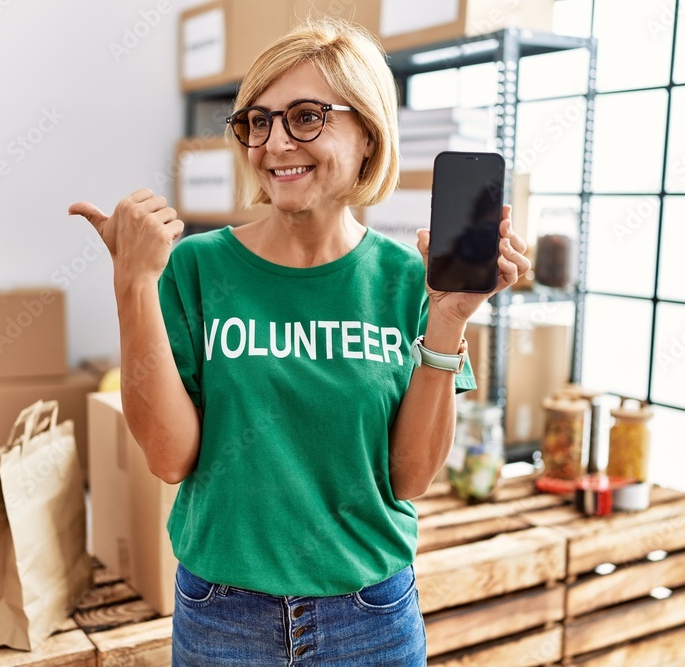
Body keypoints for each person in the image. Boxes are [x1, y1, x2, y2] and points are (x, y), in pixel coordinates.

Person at [70, 17, 531, 666]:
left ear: (368, 135)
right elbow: (170, 457)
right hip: (222, 618)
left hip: (370, 622)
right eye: (257, 122)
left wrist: (449, 317)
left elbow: (412, 475)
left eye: (306, 117)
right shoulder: (196, 269)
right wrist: (132, 285)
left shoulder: (407, 282)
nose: (275, 142)